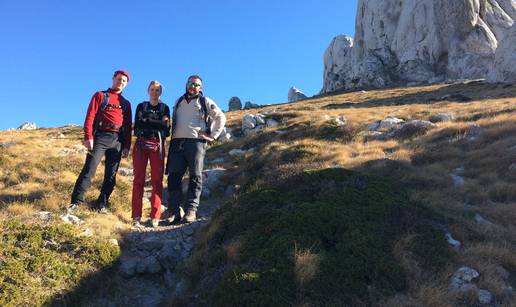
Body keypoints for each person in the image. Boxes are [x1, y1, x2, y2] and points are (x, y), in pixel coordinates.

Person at [67, 69, 132, 213]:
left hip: (117, 141)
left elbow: (128, 127)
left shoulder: (126, 104)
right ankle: (76, 203)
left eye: (123, 81)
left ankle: (101, 203)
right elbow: (90, 116)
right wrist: (88, 137)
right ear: (113, 79)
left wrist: (127, 146)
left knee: (111, 175)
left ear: (126, 84)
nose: (120, 82)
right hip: (100, 137)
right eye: (118, 79)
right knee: (89, 170)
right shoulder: (101, 95)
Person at [166, 75, 226, 224]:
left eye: (196, 84)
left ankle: (191, 211)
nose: (192, 86)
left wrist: (212, 135)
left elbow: (220, 117)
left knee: (195, 176)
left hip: (196, 143)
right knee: (173, 177)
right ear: (186, 85)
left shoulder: (205, 101)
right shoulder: (178, 101)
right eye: (190, 83)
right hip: (176, 144)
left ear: (201, 88)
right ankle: (174, 212)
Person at [131, 81, 170, 228]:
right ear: (148, 91)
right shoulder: (141, 106)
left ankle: (155, 216)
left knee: (157, 180)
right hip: (141, 145)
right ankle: (136, 215)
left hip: (157, 145)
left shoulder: (165, 108)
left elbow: (166, 128)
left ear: (161, 93)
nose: (155, 92)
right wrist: (157, 122)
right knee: (138, 180)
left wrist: (147, 120)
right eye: (152, 89)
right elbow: (138, 125)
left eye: (158, 90)